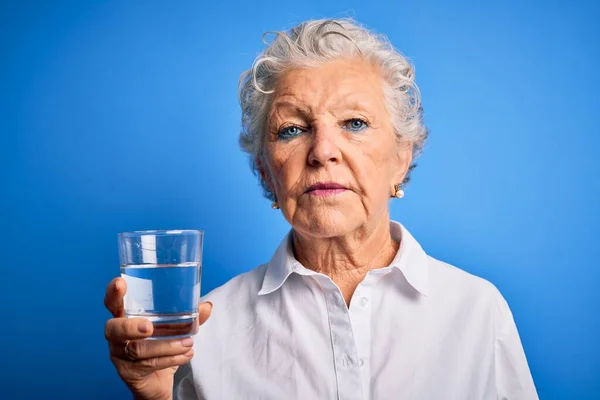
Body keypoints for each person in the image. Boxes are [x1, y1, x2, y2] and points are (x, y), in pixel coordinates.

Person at [104, 18, 538, 400]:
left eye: (354, 123)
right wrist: (157, 398)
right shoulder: (206, 332)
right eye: (292, 129)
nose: (323, 151)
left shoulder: (477, 311)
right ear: (265, 172)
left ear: (401, 158)